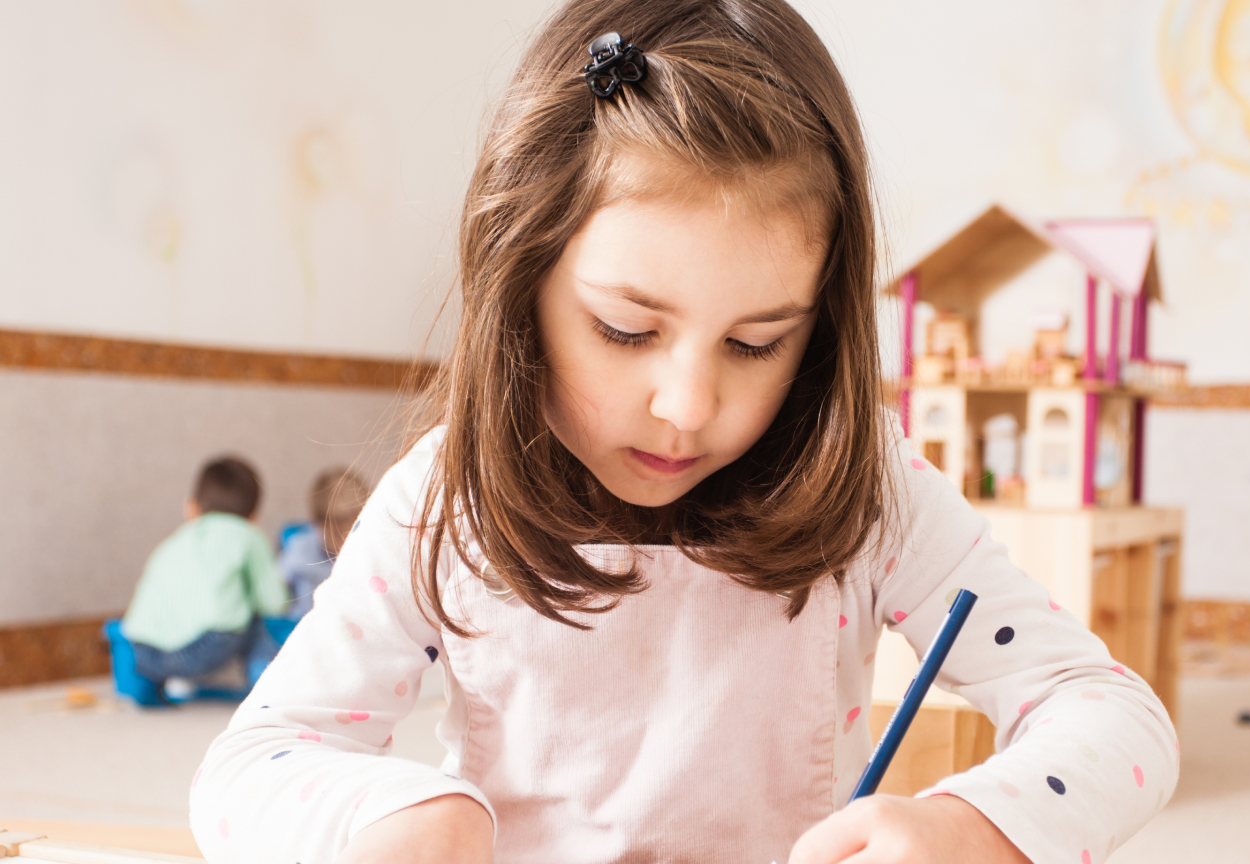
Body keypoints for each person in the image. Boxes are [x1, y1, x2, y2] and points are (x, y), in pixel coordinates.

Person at [189, 1, 1178, 862]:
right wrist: (405, 815)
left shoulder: (868, 485)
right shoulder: (450, 493)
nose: (687, 406)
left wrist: (980, 827)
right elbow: (247, 769)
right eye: (625, 329)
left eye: (755, 342)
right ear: (520, 279)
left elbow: (1113, 715)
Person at [121, 456, 289, 702]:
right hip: (205, 649)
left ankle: (147, 686)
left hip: (143, 649)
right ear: (254, 516)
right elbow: (274, 603)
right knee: (256, 621)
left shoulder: (174, 541)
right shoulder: (248, 536)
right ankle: (264, 679)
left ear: (191, 508)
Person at [278, 467, 372, 620]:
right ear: (317, 524)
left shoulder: (368, 554)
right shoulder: (301, 548)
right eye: (337, 534)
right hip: (303, 627)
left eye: (354, 531)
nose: (346, 542)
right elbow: (275, 585)